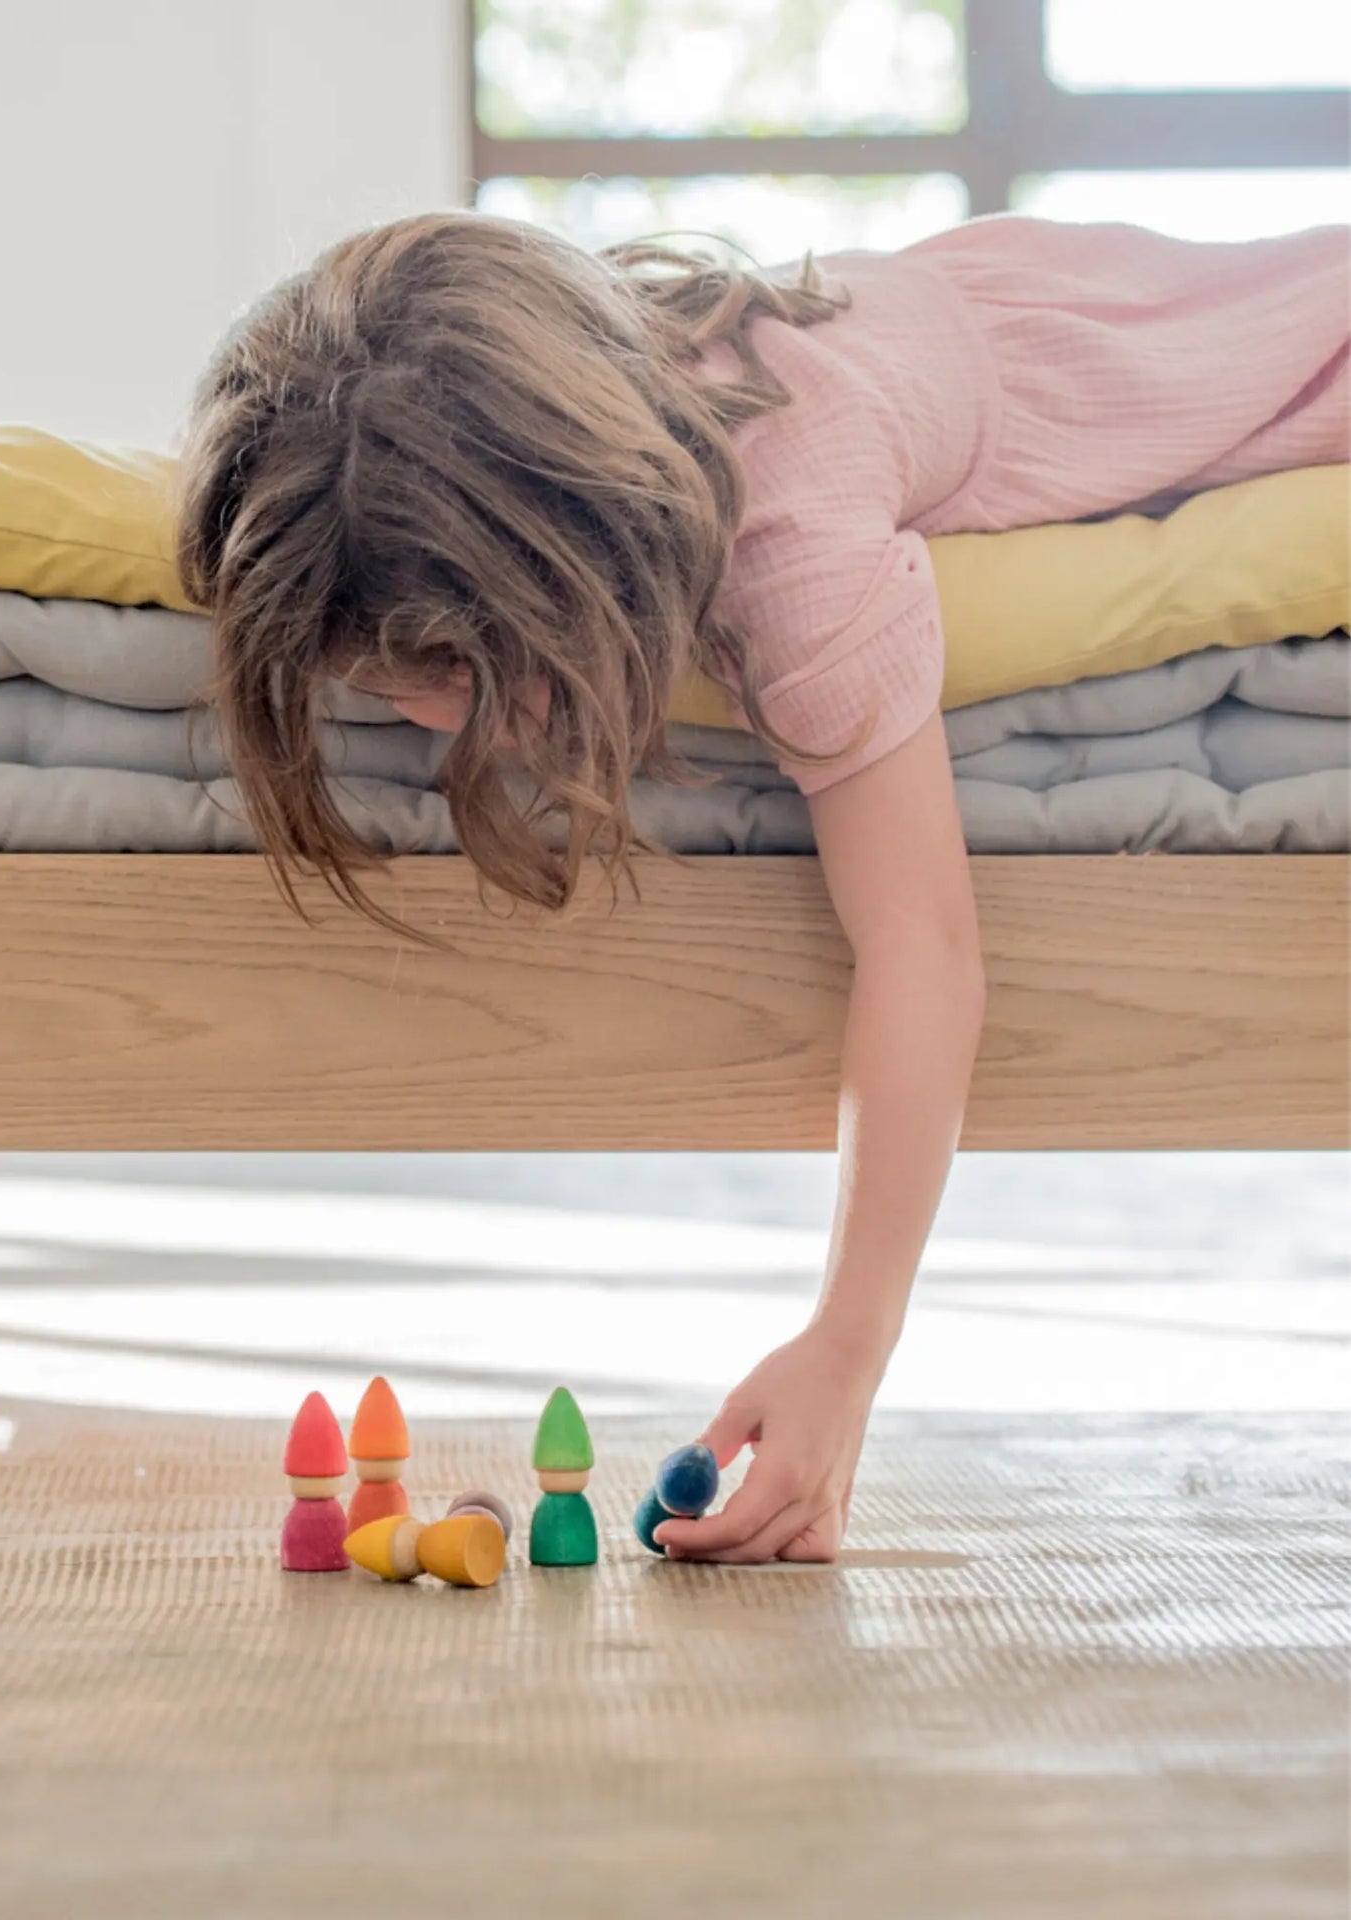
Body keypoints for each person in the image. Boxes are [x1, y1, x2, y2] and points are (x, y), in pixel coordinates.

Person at [174, 209, 1349, 1564]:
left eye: (463, 675)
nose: (446, 726)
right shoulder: (553, 370)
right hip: (1083, 302)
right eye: (387, 690)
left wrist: (844, 1345)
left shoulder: (788, 546)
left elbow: (922, 944)